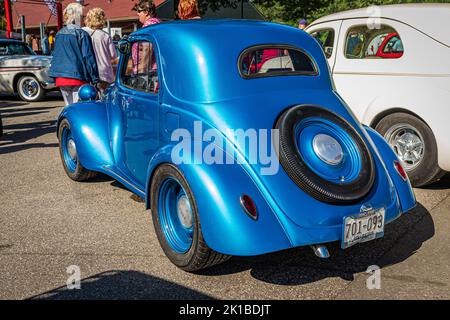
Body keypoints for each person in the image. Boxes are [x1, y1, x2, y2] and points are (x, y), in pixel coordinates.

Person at [49, 2, 99, 106]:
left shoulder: (59, 34)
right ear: (77, 17)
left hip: (61, 76)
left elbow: (56, 55)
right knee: (78, 107)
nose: (83, 19)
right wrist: (95, 78)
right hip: (77, 76)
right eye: (82, 16)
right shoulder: (82, 34)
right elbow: (88, 58)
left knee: (68, 106)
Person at [83, 8, 117, 95]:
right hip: (104, 72)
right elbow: (113, 55)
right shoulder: (105, 36)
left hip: (89, 72)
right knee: (105, 98)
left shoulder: (83, 33)